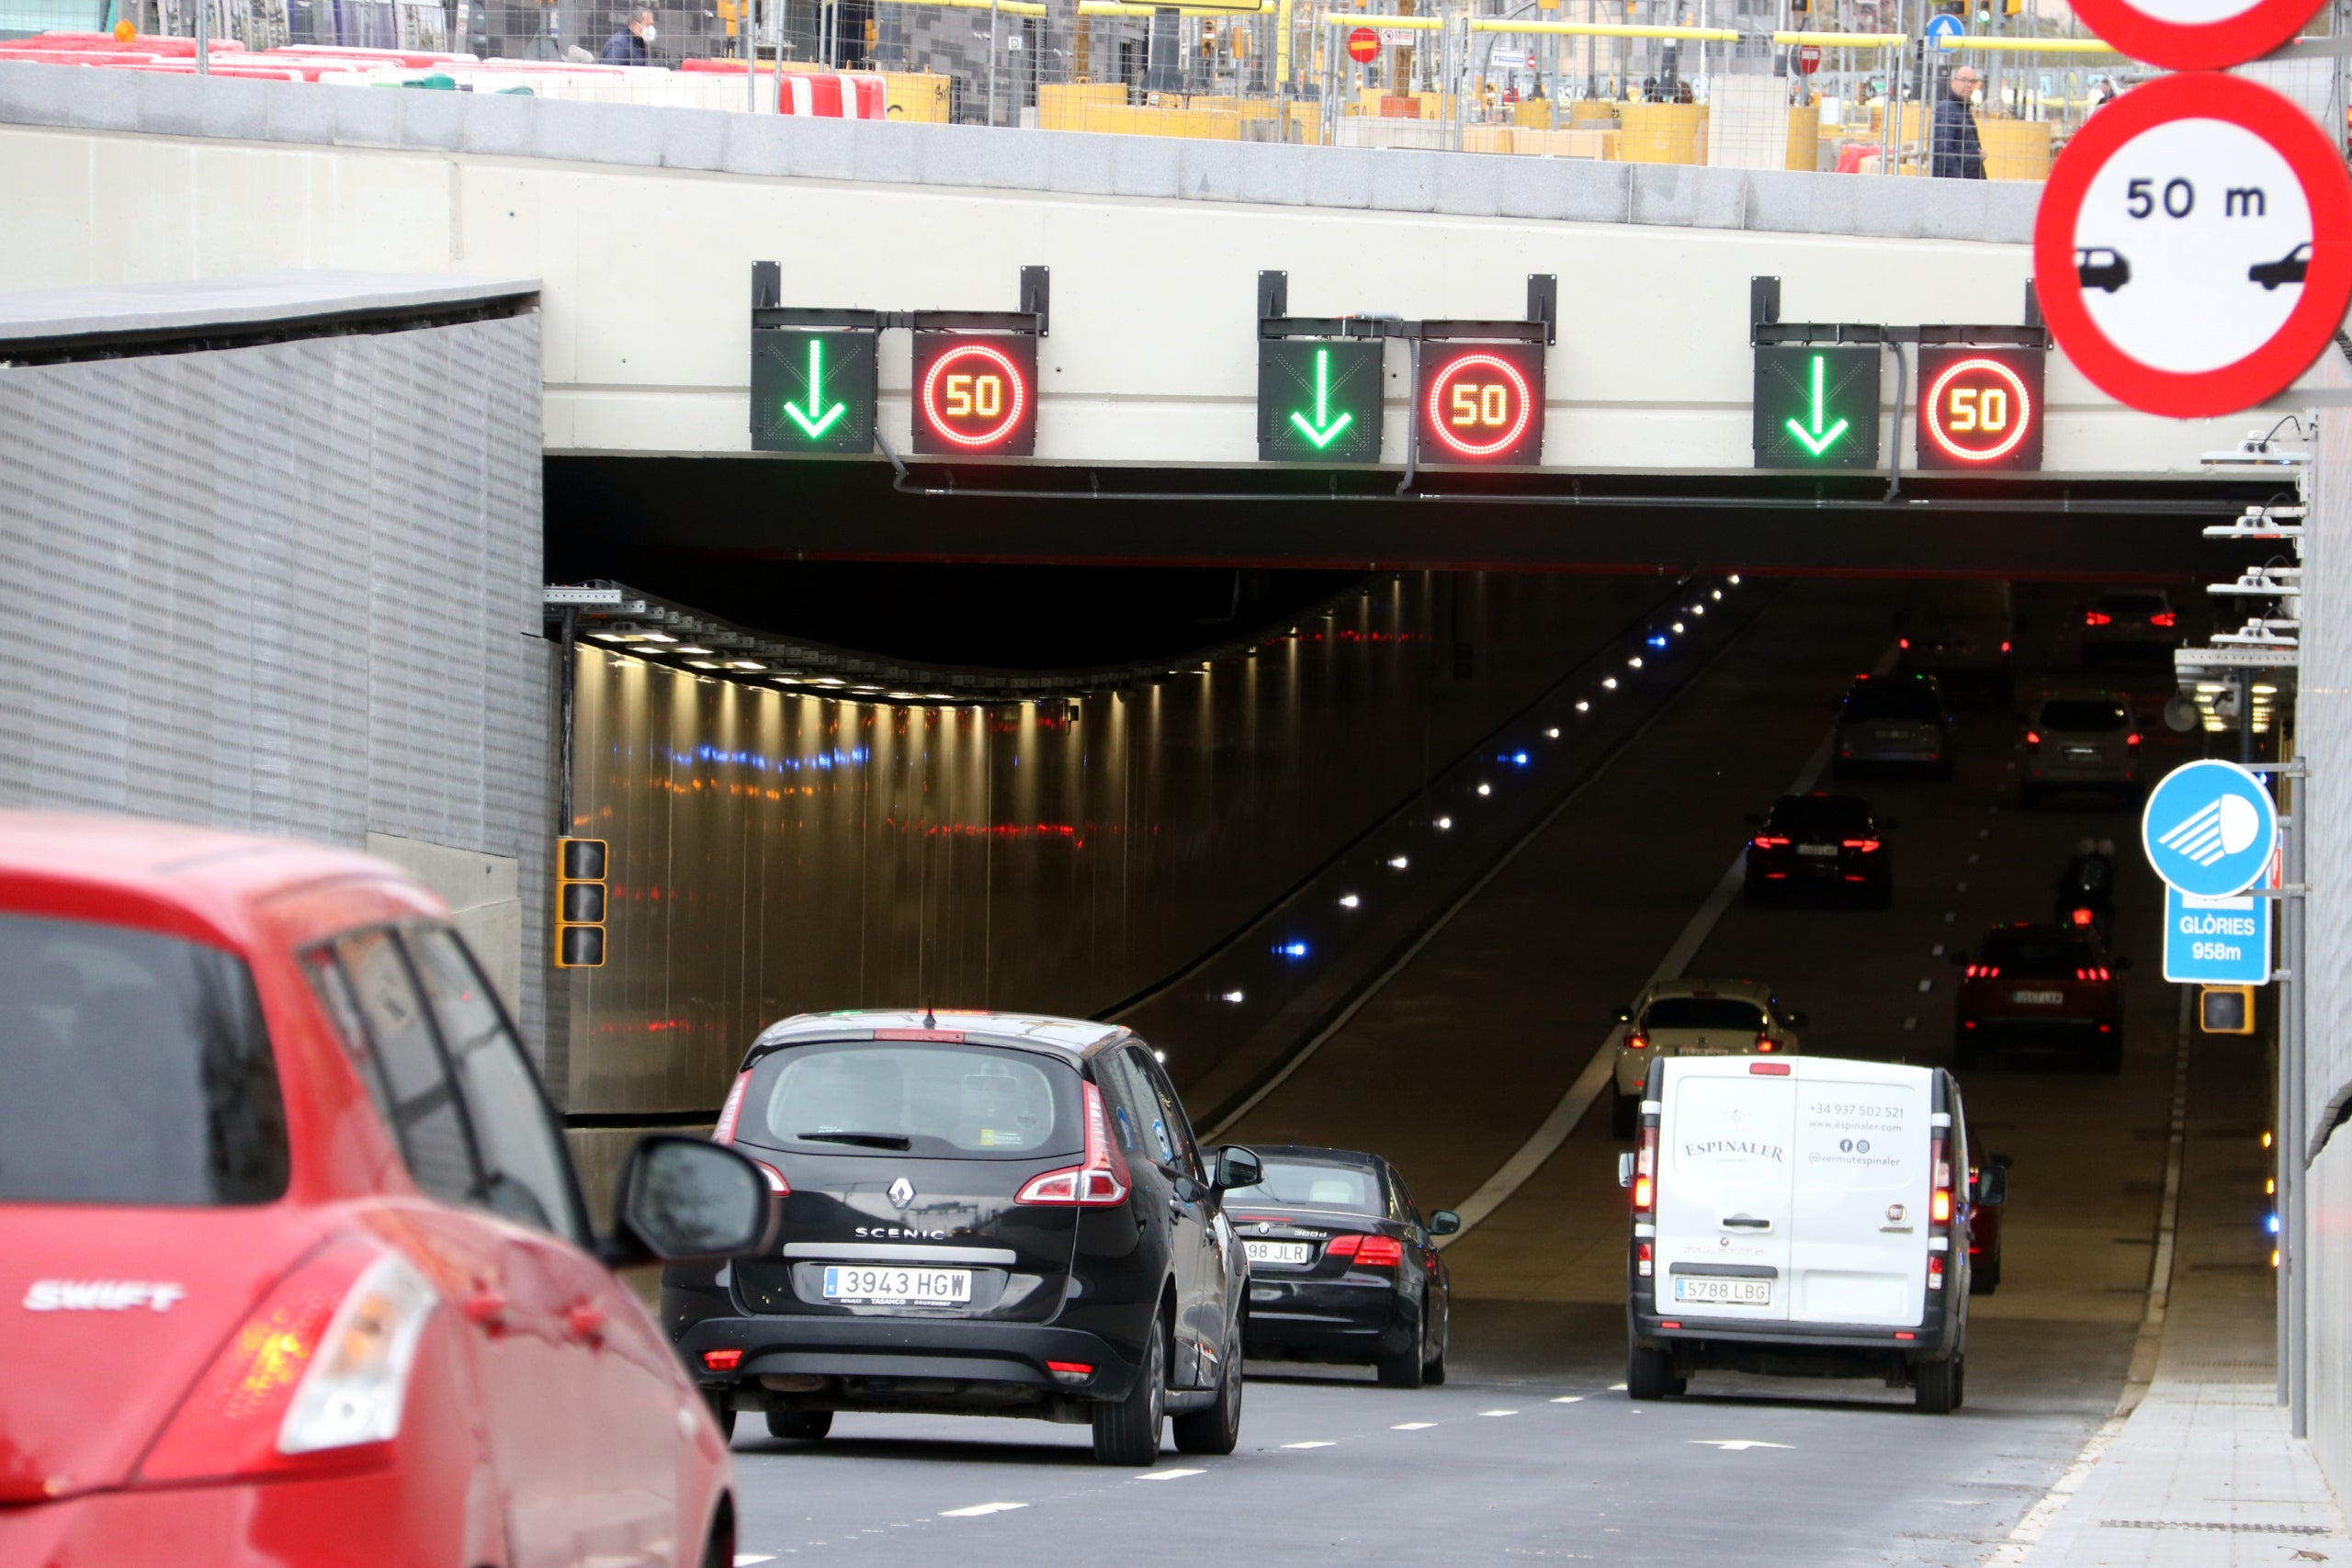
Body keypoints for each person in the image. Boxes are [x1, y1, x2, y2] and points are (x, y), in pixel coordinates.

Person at [1931, 64, 1986, 178]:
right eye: (1964, 80)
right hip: (1956, 185)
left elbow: (1962, 149)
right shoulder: (1947, 109)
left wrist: (1976, 155)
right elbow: (1943, 151)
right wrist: (1959, 183)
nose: (1968, 85)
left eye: (1972, 81)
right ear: (1952, 83)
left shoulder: (1963, 110)